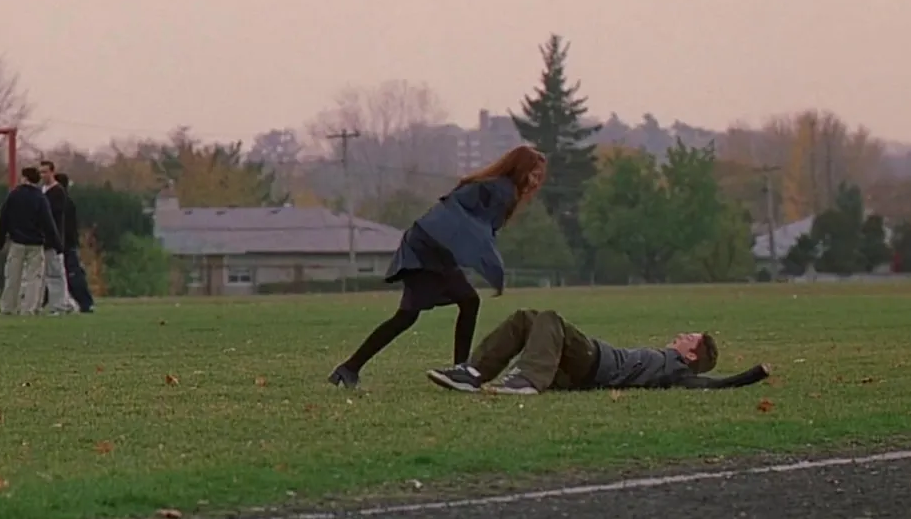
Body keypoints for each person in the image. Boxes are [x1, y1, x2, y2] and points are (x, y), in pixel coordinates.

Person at [328, 145, 548, 389]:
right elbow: (478, 231)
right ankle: (351, 368)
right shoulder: (501, 191)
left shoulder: (492, 186)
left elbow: (466, 220)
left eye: (539, 176)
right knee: (411, 316)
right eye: (533, 174)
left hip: (429, 246)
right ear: (520, 169)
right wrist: (493, 266)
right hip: (428, 251)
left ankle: (458, 370)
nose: (536, 181)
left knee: (462, 302)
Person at [427, 309, 772, 395]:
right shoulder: (667, 361)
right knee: (526, 318)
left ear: (692, 355)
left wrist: (755, 374)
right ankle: (473, 373)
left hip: (594, 362)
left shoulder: (678, 371)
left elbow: (715, 385)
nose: (680, 336)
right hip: (579, 370)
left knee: (550, 319)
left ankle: (527, 380)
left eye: (688, 338)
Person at [0, 166, 62, 315]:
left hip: (17, 242)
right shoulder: (40, 197)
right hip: (36, 243)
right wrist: (57, 244)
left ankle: (8, 307)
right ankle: (29, 308)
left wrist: (0, 241)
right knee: (34, 278)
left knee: (12, 276)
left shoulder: (14, 195)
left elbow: (4, 219)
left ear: (24, 178)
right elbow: (48, 223)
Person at [50, 172, 94, 313]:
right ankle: (82, 302)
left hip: (65, 245)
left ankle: (84, 303)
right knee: (67, 274)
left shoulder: (63, 203)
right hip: (67, 244)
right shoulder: (67, 202)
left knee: (70, 275)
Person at [37, 160, 74, 315]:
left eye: (45, 172)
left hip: (53, 239)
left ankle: (59, 305)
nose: (42, 175)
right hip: (41, 239)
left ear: (52, 172)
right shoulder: (41, 191)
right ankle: (66, 303)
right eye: (40, 172)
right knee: (42, 275)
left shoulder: (58, 192)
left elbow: (55, 215)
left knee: (55, 273)